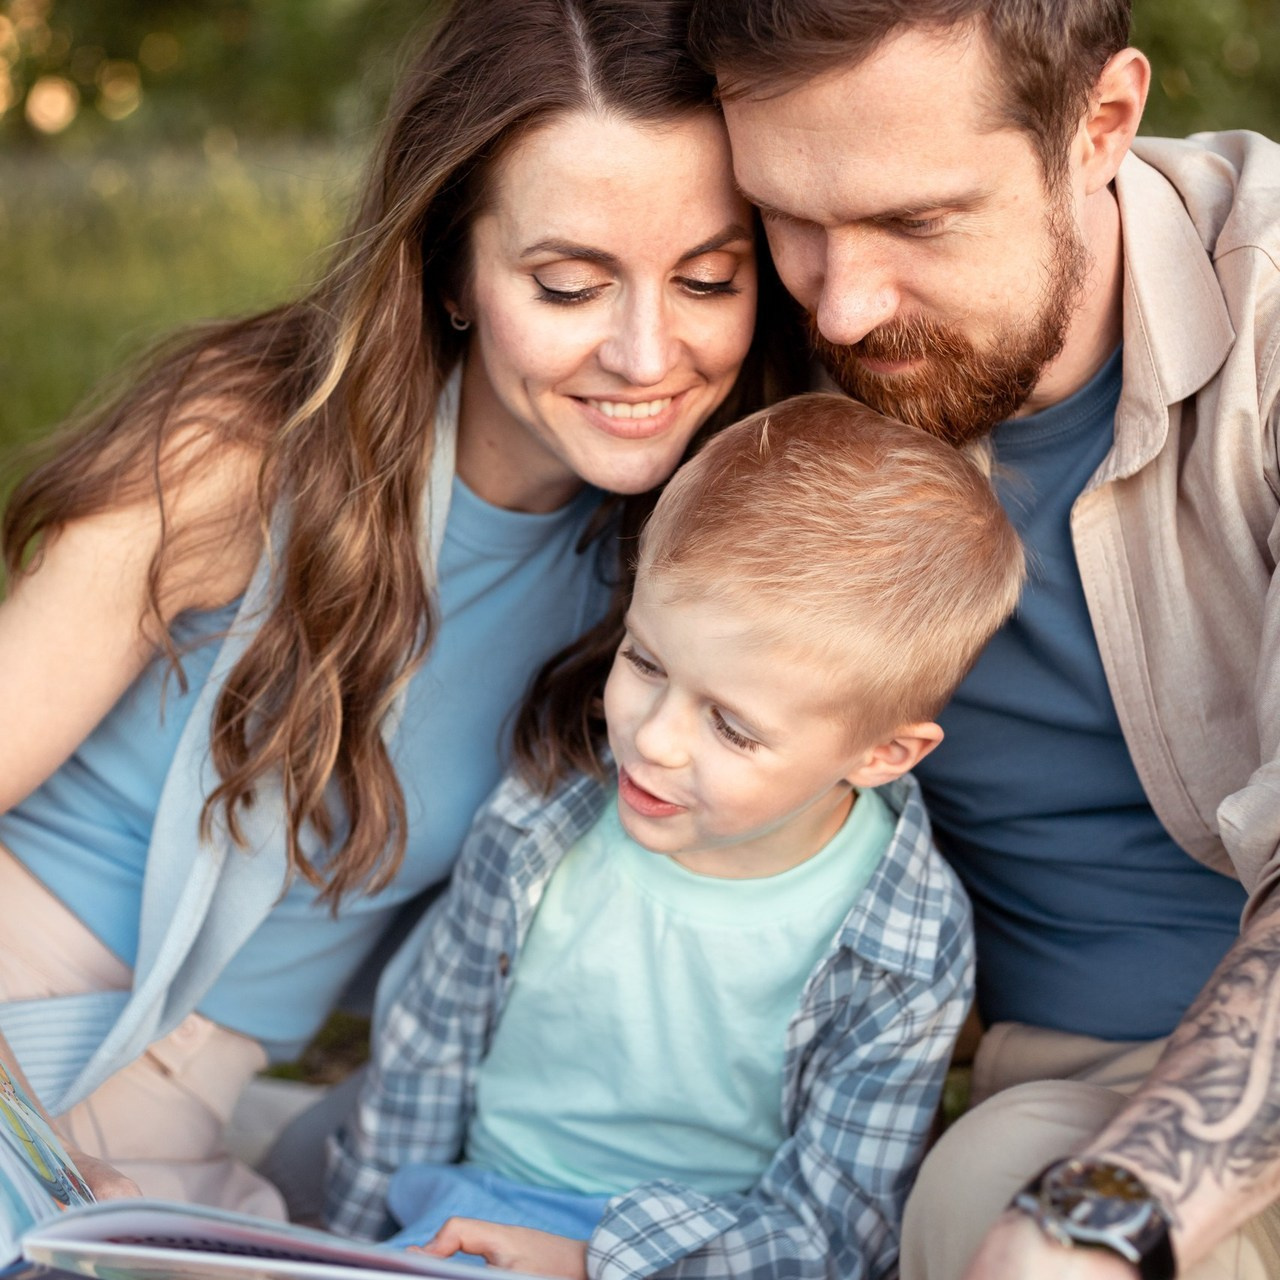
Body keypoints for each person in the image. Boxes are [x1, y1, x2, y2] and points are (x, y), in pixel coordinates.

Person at [0, 0, 804, 1218]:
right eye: (570, 284)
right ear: (452, 270)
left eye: (705, 278)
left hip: (177, 1121)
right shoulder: (245, 451)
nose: (647, 355)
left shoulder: (676, 556)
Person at [686, 1, 1280, 1278]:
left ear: (1100, 124)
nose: (838, 309)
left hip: (1202, 1105)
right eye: (787, 215)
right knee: (982, 1196)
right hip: (1063, 1081)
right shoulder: (721, 327)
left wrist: (1110, 1213)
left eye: (915, 221)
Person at [325, 392, 1026, 1280]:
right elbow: (425, 1056)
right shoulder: (547, 814)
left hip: (705, 1255)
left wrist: (590, 1261)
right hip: (471, 1214)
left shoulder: (903, 940)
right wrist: (348, 1246)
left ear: (881, 752)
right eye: (645, 662)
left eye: (732, 727)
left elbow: (837, 1229)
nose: (651, 739)